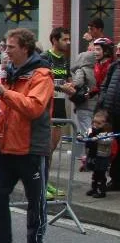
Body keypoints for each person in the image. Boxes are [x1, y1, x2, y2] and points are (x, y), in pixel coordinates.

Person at [0, 27, 53, 243]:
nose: (6, 51)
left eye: (10, 47)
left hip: (32, 149)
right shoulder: (4, 74)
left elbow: (34, 108)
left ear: (25, 48)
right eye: (5, 47)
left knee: (36, 202)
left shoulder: (41, 76)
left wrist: (6, 93)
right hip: (4, 147)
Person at [44, 27, 74, 199]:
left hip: (60, 106)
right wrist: (61, 87)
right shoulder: (45, 58)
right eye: (64, 39)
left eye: (69, 39)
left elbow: (67, 79)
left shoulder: (63, 59)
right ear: (54, 40)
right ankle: (41, 184)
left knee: (52, 147)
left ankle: (46, 181)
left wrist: (72, 86)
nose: (68, 42)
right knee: (45, 148)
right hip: (47, 107)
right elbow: (42, 82)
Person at [82, 110, 115, 199]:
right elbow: (86, 135)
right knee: (95, 174)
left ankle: (101, 190)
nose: (95, 125)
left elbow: (108, 141)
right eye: (94, 122)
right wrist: (82, 137)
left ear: (105, 123)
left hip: (103, 157)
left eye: (99, 123)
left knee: (101, 174)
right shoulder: (92, 130)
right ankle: (94, 188)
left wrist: (98, 139)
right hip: (94, 155)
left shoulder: (107, 132)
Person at [70, 44, 97, 136]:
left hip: (84, 104)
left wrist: (70, 85)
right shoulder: (97, 70)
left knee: (85, 132)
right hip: (95, 106)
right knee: (93, 130)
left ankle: (86, 145)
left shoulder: (82, 70)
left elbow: (78, 83)